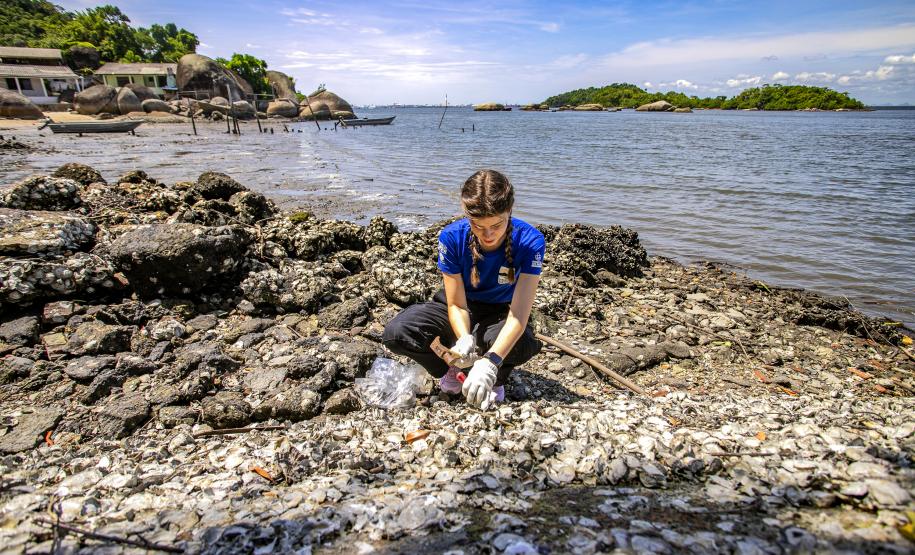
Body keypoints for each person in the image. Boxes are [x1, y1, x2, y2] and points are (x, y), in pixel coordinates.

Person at [382, 169, 545, 410]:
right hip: (459, 307)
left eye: (497, 225)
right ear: (466, 215)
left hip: (501, 312)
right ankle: (452, 366)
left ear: (509, 211)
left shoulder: (531, 242)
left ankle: (494, 376)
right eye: (478, 226)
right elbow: (456, 304)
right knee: (398, 332)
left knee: (522, 343)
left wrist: (491, 361)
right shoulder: (452, 238)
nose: (488, 235)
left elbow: (519, 315)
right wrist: (464, 337)